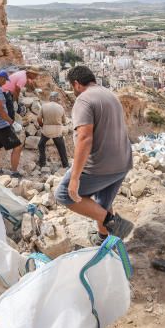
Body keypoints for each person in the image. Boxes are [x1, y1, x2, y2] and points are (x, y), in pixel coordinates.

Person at [55, 65, 134, 244]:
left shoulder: (83, 100)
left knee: (63, 195)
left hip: (100, 165)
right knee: (102, 203)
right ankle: (104, 238)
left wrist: (75, 177)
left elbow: (84, 138)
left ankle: (115, 224)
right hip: (122, 162)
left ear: (76, 84)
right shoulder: (110, 95)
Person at [37, 92, 69, 168]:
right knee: (61, 147)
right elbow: (64, 121)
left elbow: (38, 118)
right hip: (57, 131)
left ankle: (42, 163)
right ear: (56, 99)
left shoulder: (44, 106)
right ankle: (65, 164)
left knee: (41, 145)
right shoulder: (60, 107)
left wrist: (42, 125)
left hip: (46, 131)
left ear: (50, 98)